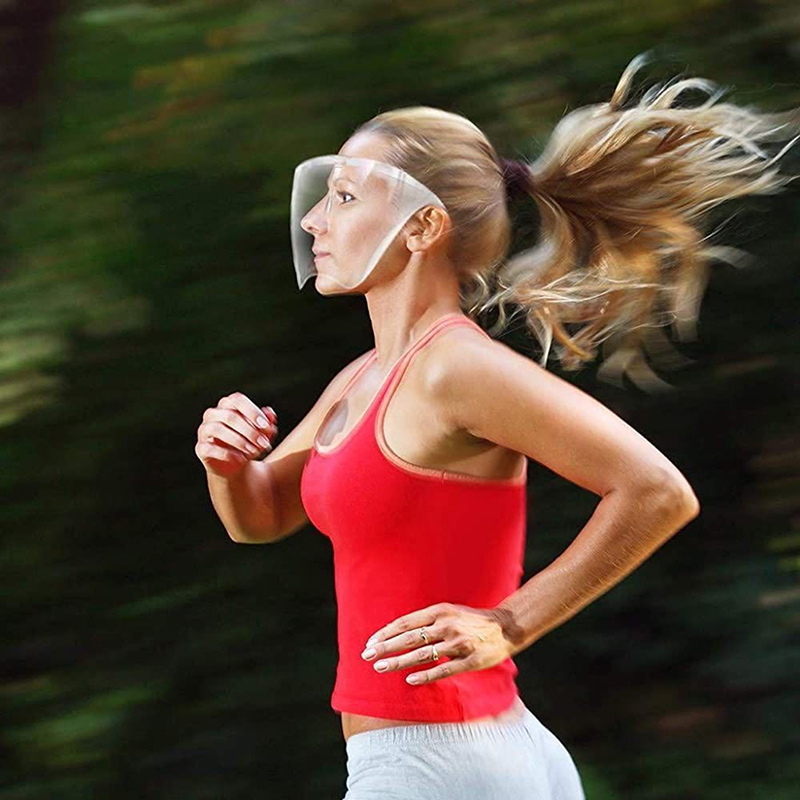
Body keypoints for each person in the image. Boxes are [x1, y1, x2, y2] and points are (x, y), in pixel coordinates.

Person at [196, 52, 799, 799]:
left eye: (345, 196)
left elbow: (657, 491)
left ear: (422, 226)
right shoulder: (363, 376)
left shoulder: (455, 368)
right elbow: (261, 516)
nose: (315, 219)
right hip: (463, 756)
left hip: (434, 764)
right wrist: (227, 464)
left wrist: (511, 624)